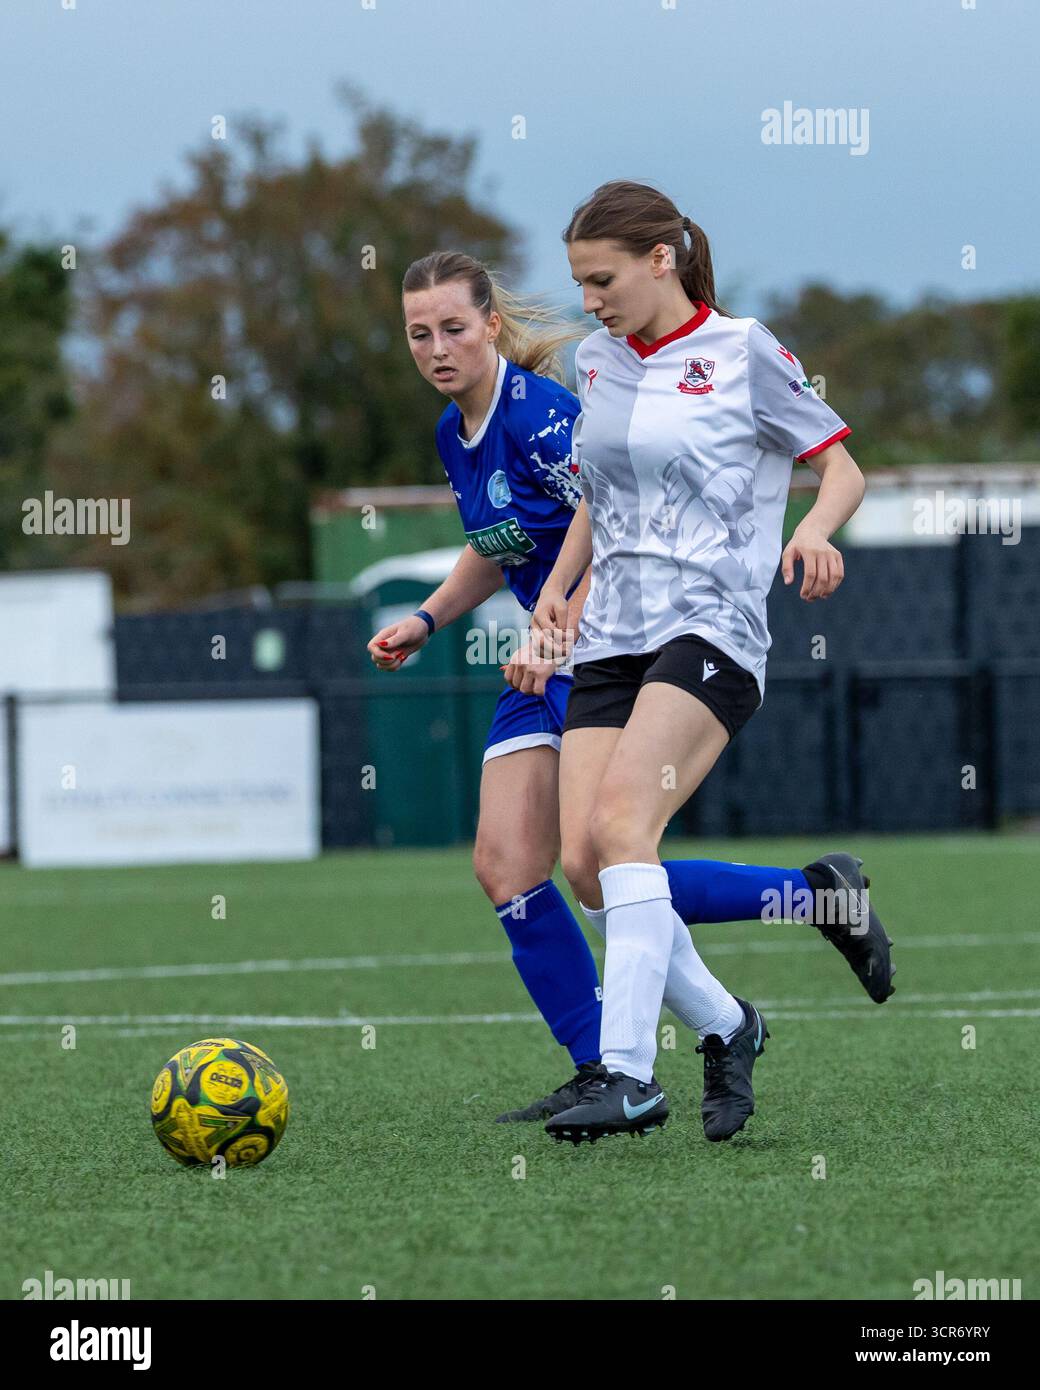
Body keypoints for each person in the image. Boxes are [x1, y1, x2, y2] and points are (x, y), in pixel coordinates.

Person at [529, 181, 894, 1146]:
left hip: (712, 628)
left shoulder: (743, 350)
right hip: (612, 633)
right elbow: (597, 501)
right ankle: (734, 1026)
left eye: (602, 279)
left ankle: (627, 1075)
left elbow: (842, 465)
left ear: (662, 259)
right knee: (588, 870)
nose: (589, 301)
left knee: (620, 828)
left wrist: (815, 530)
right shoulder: (598, 362)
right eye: (577, 283)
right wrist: (561, 593)